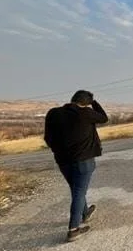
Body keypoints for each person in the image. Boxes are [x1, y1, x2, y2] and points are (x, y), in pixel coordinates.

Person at [44, 90, 108, 242]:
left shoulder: (53, 113)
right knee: (79, 191)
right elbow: (104, 118)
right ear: (86, 103)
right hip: (83, 160)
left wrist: (57, 150)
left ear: (72, 99)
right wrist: (94, 103)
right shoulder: (85, 113)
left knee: (76, 188)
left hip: (62, 160)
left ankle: (84, 213)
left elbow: (47, 137)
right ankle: (73, 229)